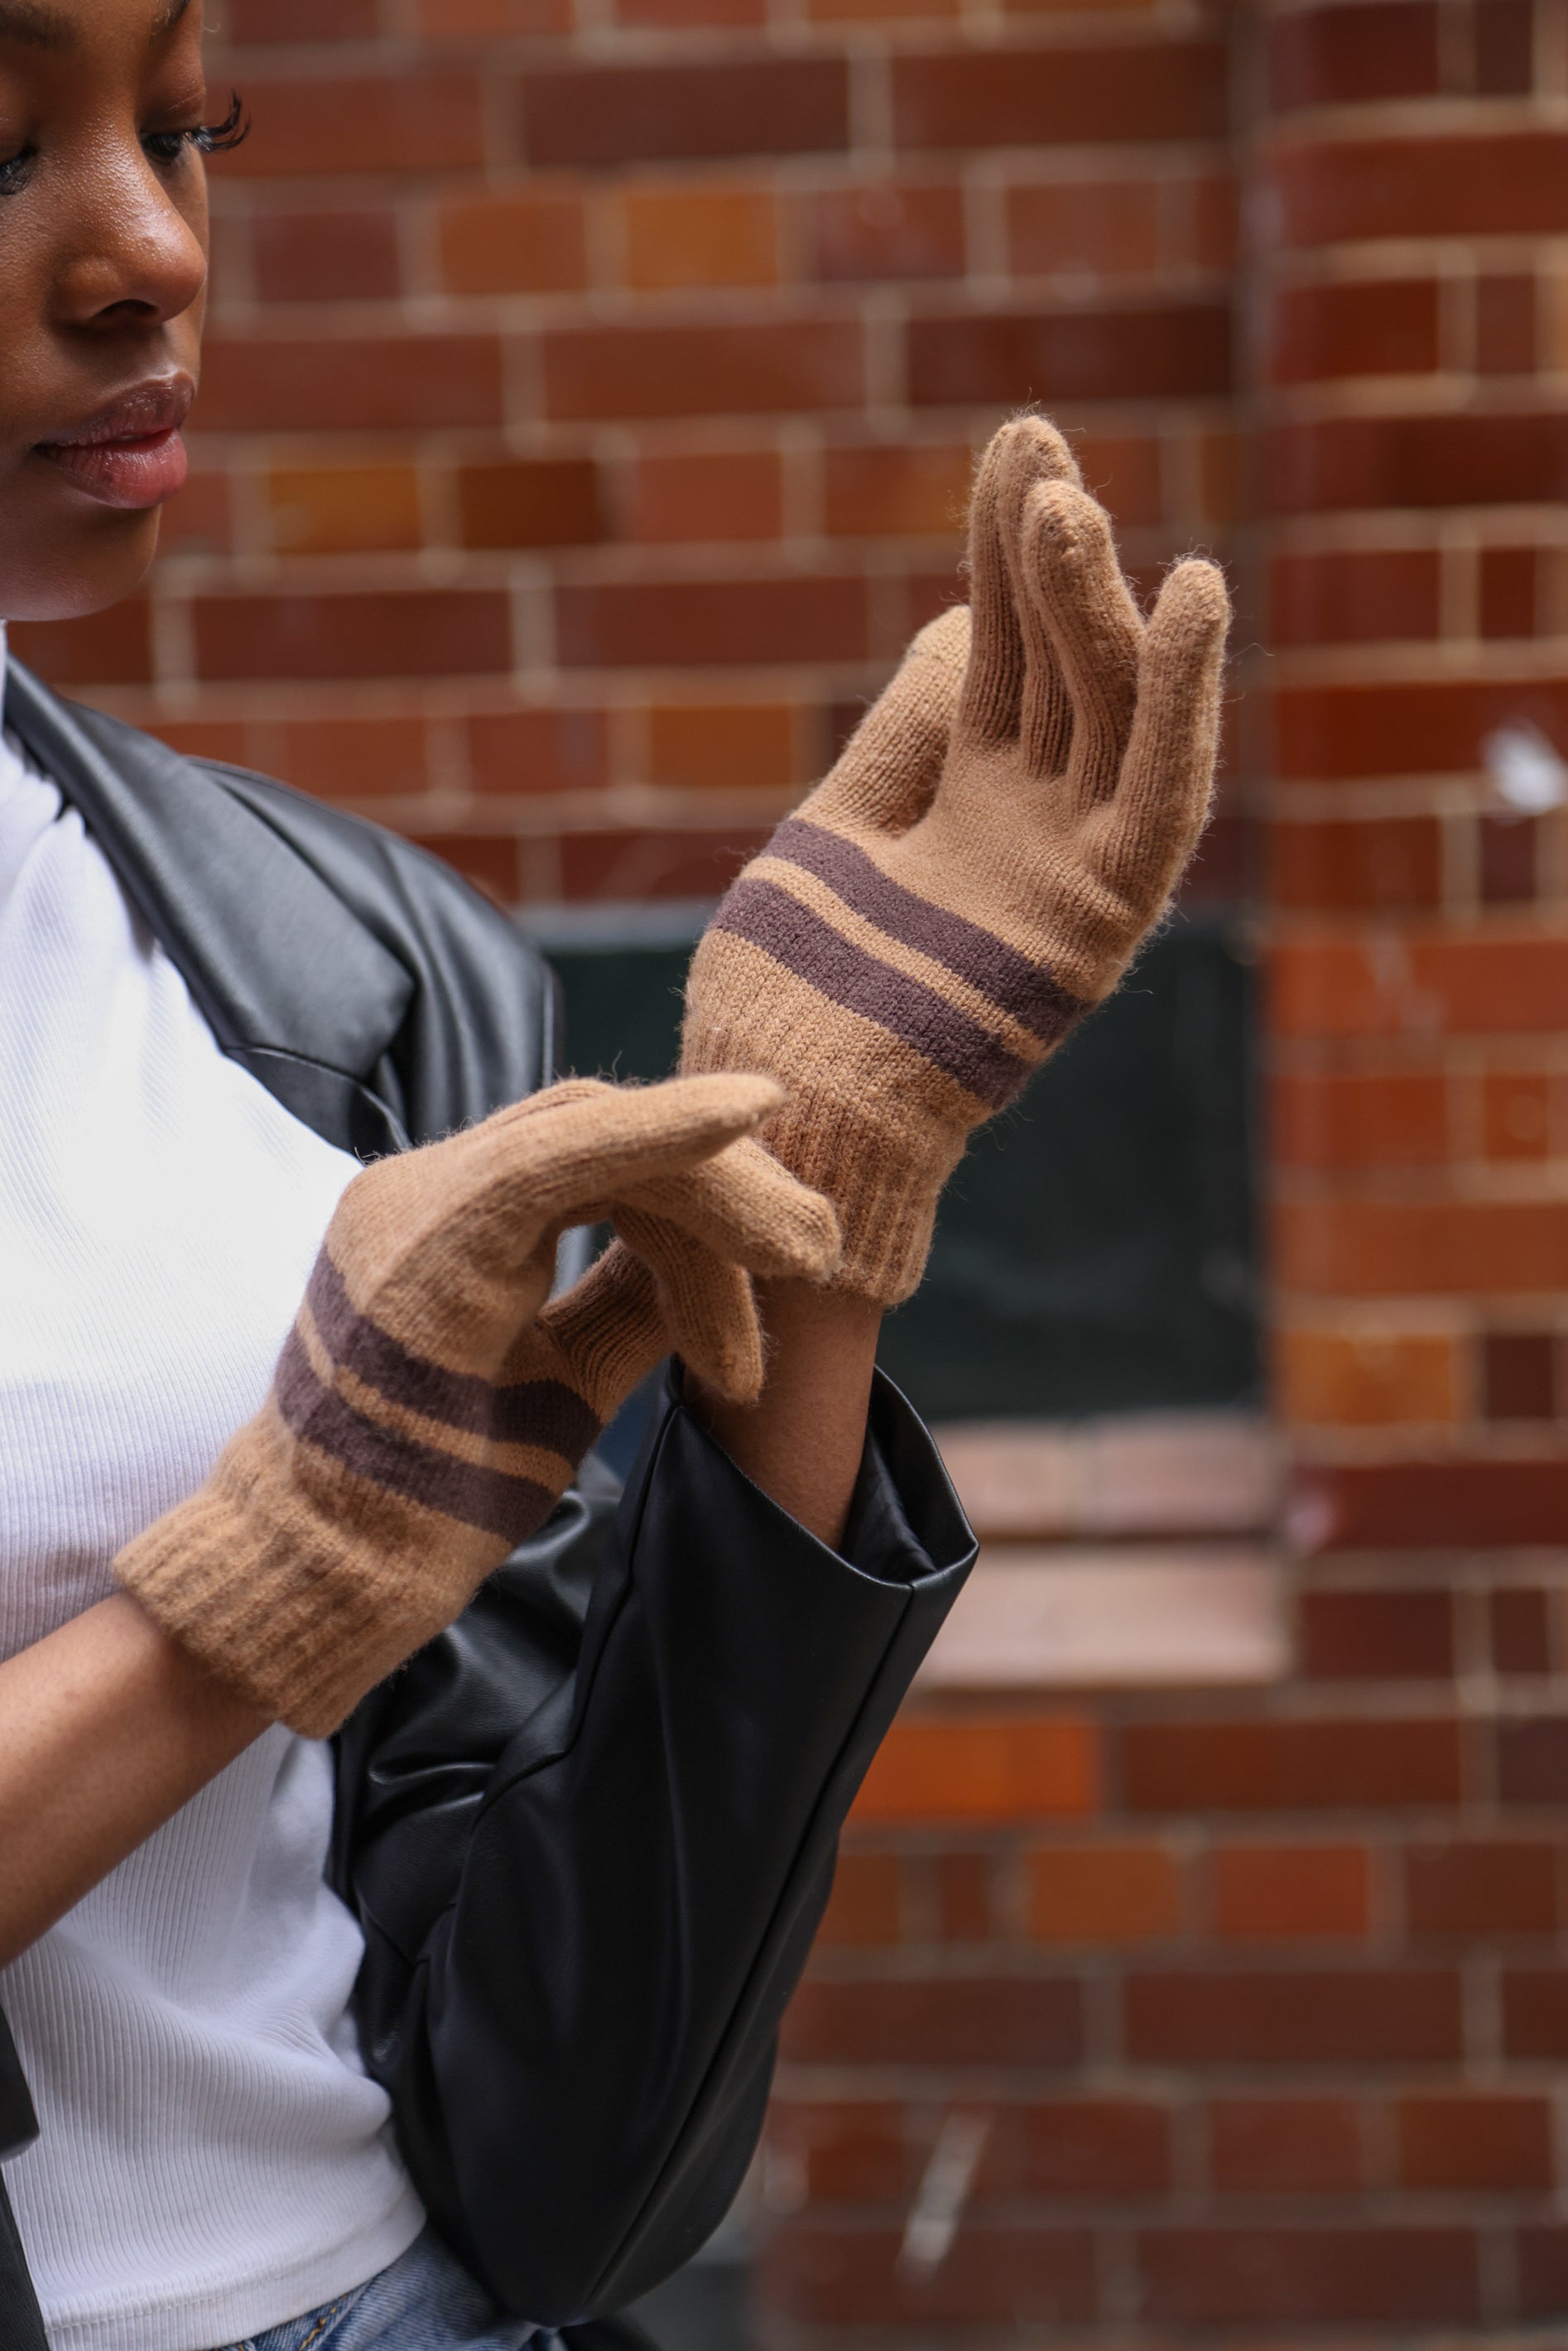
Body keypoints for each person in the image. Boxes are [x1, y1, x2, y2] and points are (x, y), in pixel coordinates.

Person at [0, 2, 1230, 2348]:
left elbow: (576, 2133)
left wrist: (832, 1223)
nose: (151, 245)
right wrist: (266, 1582)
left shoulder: (344, 986)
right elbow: (308, 1568)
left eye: (189, 121)